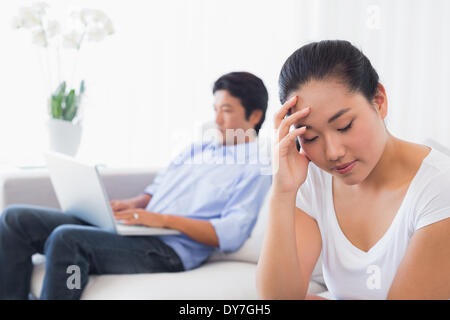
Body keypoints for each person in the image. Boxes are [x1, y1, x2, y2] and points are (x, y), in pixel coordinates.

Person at [0, 71, 272, 300]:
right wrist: (133, 205)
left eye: (226, 110)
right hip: (139, 229)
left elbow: (230, 234)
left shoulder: (256, 167)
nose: (217, 120)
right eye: (215, 110)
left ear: (255, 115)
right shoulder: (199, 149)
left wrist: (161, 220)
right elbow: (155, 189)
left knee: (66, 239)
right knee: (14, 219)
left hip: (169, 250)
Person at [256, 40, 450, 300]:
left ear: (379, 101)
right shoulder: (313, 179)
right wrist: (282, 193)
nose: (333, 152)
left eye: (345, 126)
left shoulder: (438, 186)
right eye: (311, 137)